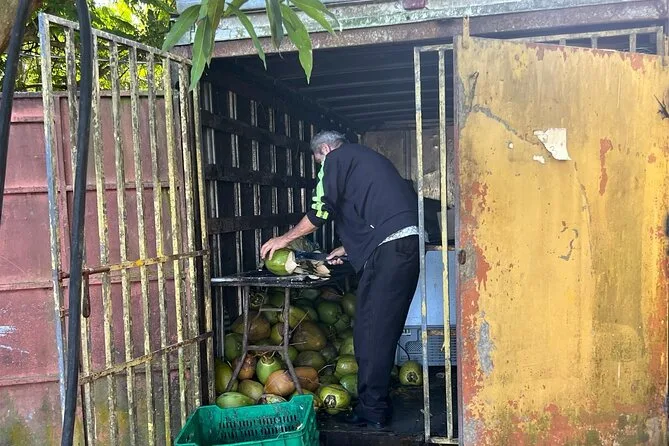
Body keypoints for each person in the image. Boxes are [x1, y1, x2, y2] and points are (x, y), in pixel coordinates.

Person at [260, 130, 420, 429]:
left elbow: (321, 209)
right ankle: (375, 406)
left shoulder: (336, 159)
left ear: (324, 149)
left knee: (371, 332)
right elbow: (379, 210)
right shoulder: (367, 160)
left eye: (318, 162)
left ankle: (373, 412)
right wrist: (349, 249)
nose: (321, 168)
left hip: (391, 251)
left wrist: (285, 239)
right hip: (402, 247)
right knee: (379, 329)